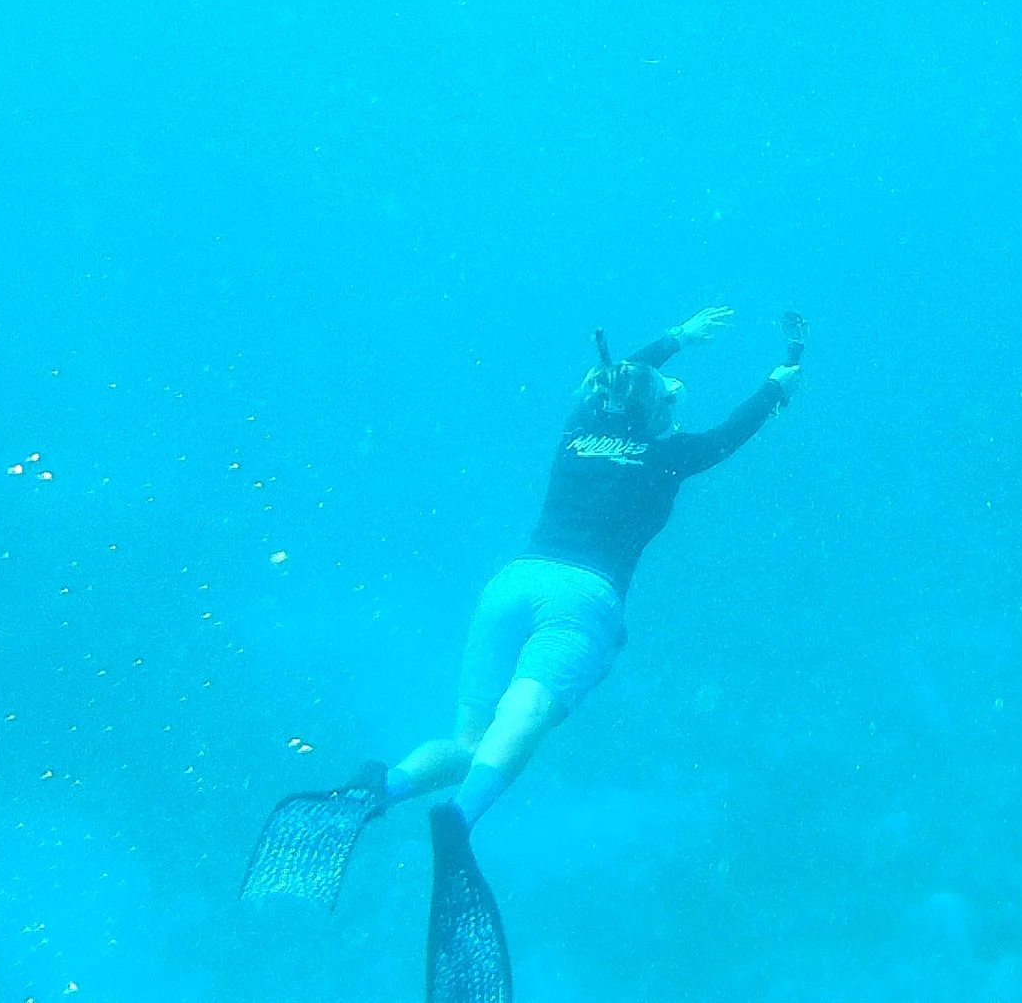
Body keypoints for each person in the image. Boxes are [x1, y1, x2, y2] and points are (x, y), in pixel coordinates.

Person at [241, 306, 801, 1001]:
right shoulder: (668, 454)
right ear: (654, 416)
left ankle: (378, 789)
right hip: (583, 599)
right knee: (528, 708)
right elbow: (727, 435)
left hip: (513, 583)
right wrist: (776, 386)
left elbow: (613, 377)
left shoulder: (579, 432)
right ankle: (460, 818)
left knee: (467, 736)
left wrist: (679, 338)